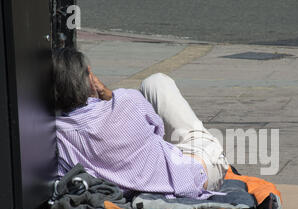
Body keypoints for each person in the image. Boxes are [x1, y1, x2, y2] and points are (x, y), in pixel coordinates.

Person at [52, 47, 229, 199]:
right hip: (193, 176)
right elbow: (158, 130)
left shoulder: (57, 132)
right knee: (156, 82)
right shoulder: (127, 101)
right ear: (90, 77)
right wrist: (106, 94)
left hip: (143, 185)